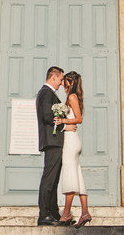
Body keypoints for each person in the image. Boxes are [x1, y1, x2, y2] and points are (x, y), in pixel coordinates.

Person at [53, 71, 91, 229]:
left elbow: (79, 118)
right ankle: (85, 212)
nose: (63, 84)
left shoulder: (71, 97)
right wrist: (67, 122)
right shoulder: (72, 96)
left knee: (69, 175)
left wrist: (63, 120)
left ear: (71, 83)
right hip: (73, 139)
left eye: (65, 81)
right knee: (77, 175)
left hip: (70, 141)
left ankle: (66, 213)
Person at [36, 66, 67, 226]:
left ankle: (53, 213)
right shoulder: (46, 93)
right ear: (53, 77)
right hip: (52, 140)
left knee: (53, 179)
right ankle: (44, 214)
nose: (61, 83)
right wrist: (64, 124)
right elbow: (47, 115)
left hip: (54, 141)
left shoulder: (47, 93)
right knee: (49, 178)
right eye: (61, 79)